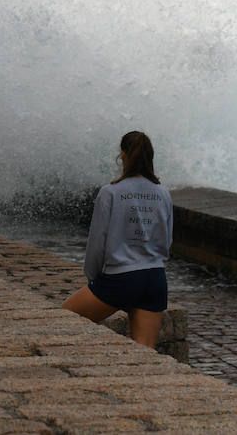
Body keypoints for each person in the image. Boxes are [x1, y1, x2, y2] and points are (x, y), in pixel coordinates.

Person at [62, 130, 173, 347]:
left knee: (63, 320)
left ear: (122, 155)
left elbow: (97, 243)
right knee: (145, 353)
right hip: (154, 278)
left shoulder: (110, 192)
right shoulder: (163, 193)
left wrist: (93, 278)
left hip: (120, 278)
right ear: (150, 157)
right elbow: (166, 242)